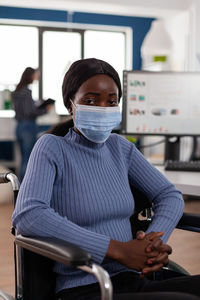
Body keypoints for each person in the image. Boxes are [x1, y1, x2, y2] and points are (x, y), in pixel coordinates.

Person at [12, 58, 200, 300]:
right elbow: (29, 215)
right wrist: (117, 250)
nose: (102, 107)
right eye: (90, 100)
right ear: (71, 104)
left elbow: (169, 195)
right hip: (86, 287)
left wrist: (151, 246)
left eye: (111, 101)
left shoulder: (121, 148)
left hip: (132, 279)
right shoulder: (51, 147)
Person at [12, 67, 53, 181]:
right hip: (28, 127)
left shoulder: (17, 91)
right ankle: (25, 187)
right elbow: (29, 112)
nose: (37, 76)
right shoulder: (26, 91)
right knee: (28, 158)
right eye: (36, 74)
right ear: (30, 75)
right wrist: (46, 109)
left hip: (19, 126)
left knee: (23, 158)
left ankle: (19, 189)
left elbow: (24, 110)